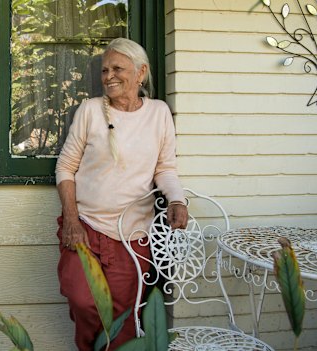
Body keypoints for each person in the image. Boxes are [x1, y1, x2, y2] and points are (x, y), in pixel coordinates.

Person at [55, 38, 189, 350]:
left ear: (141, 73)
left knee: (124, 315)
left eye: (118, 68)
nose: (109, 76)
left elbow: (165, 168)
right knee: (84, 301)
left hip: (132, 236)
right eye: (104, 70)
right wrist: (72, 220)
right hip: (85, 227)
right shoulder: (90, 111)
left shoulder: (158, 114)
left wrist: (177, 199)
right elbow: (65, 167)